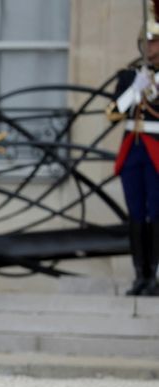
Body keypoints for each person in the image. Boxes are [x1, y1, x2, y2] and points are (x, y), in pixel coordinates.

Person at [106, 4, 159, 296]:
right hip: (133, 148)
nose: (149, 46)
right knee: (136, 213)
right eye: (147, 41)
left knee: (157, 211)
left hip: (157, 149)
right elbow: (113, 113)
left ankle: (156, 274)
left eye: (155, 41)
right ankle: (141, 273)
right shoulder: (130, 75)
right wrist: (135, 89)